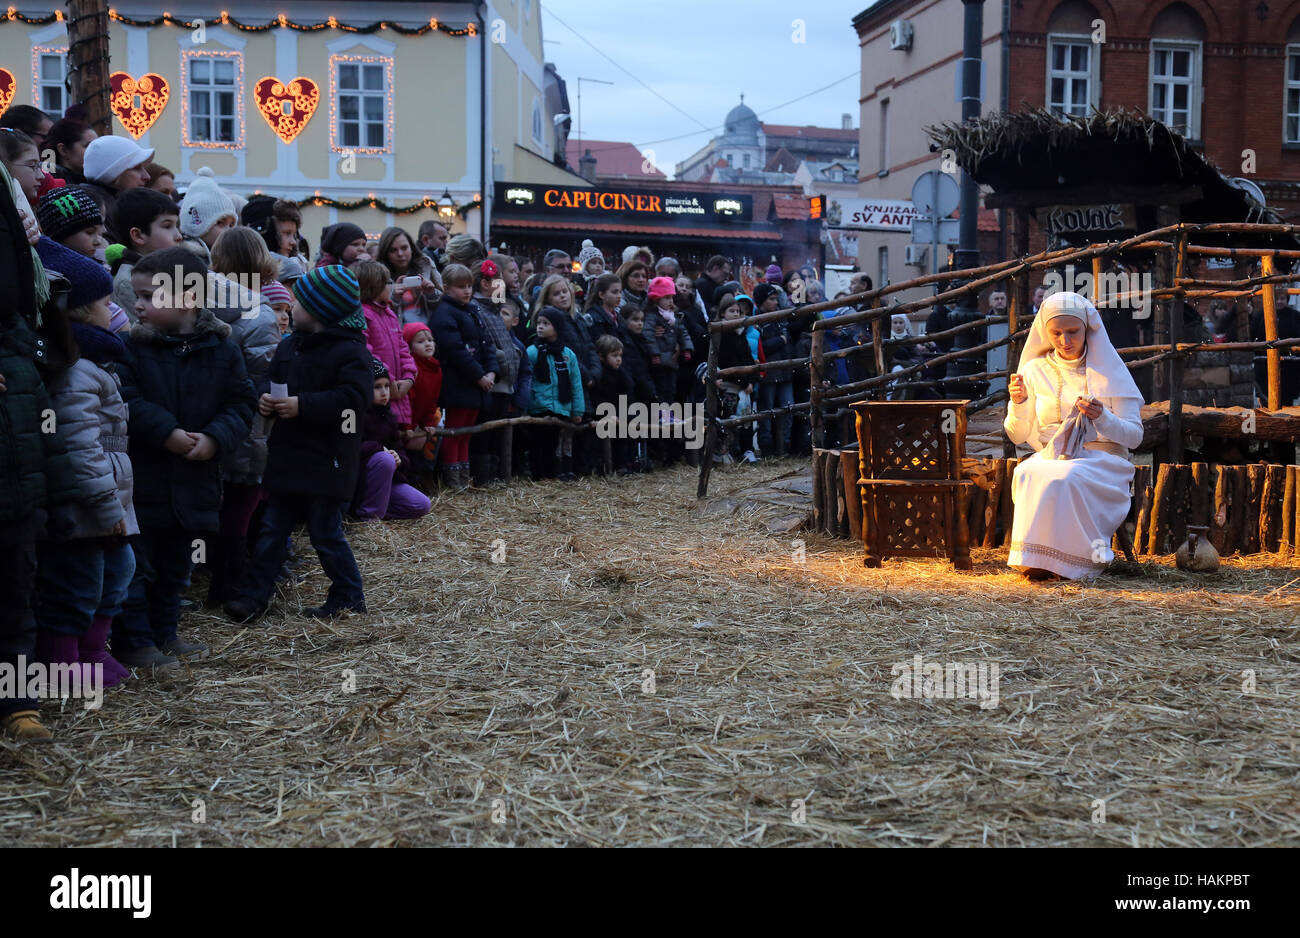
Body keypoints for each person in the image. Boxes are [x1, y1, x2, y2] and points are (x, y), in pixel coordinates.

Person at [116, 247, 255, 669]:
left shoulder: (222, 350)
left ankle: (165, 632)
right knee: (139, 565)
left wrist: (215, 438)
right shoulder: (131, 350)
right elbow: (127, 399)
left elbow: (241, 402)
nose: (137, 304)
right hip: (146, 478)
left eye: (149, 296)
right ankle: (135, 641)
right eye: (136, 296)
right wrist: (167, 433)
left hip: (196, 479)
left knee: (178, 565)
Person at [223, 265, 372, 622]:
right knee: (272, 529)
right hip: (288, 458)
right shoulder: (290, 347)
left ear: (322, 309)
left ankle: (348, 594)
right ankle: (253, 596)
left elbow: (353, 400)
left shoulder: (351, 353)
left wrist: (303, 405)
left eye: (299, 302)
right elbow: (271, 381)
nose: (291, 306)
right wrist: (266, 400)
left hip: (328, 460)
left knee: (325, 533)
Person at [32, 241, 137, 690]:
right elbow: (80, 446)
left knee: (118, 572)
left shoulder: (97, 362)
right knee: (79, 585)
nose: (112, 310)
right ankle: (66, 661)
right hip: (88, 505)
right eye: (106, 303)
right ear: (78, 311)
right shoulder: (77, 373)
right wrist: (106, 505)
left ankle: (94, 650)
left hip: (108, 499)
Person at [0, 181, 82, 739]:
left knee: (12, 595)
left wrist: (60, 496)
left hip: (16, 495)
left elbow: (43, 423)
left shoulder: (19, 345)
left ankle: (15, 701)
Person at [1004, 291, 1144, 581]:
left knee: (1066, 477)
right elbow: (1017, 434)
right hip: (1050, 455)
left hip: (1104, 459)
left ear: (1087, 329)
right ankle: (1037, 561)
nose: (1065, 341)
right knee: (1028, 472)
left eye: (1072, 332)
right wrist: (1019, 404)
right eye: (1056, 333)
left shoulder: (1110, 371)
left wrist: (1101, 417)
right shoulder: (1033, 370)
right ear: (1045, 331)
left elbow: (1134, 438)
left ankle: (1075, 564)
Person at [205, 227, 282, 606]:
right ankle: (229, 584)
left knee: (215, 501)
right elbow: (263, 374)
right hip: (250, 421)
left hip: (207, 417)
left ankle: (209, 578)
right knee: (242, 503)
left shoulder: (199, 300)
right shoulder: (259, 312)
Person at [428, 263, 496, 491]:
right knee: (454, 432)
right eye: (460, 287)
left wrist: (492, 371)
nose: (467, 291)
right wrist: (479, 375)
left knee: (466, 433)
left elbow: (487, 343)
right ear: (446, 288)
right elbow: (455, 351)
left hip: (476, 383)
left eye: (469, 286)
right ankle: (452, 478)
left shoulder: (472, 310)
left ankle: (463, 475)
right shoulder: (444, 314)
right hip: (458, 383)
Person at [354, 358, 431, 521]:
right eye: (377, 387)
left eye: (387, 386)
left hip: (387, 479)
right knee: (384, 459)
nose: (384, 392)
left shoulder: (389, 416)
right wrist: (381, 451)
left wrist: (399, 459)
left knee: (422, 505)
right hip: (361, 478)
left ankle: (376, 507)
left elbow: (400, 452)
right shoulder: (354, 414)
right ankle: (369, 519)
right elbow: (352, 447)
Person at [469, 258, 521, 485]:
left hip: (504, 381)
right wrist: (501, 359)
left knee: (496, 432)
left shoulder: (493, 308)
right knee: (485, 432)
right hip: (494, 381)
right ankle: (482, 477)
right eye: (497, 279)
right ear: (484, 283)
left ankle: (493, 474)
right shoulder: (478, 309)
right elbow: (487, 344)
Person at [355, 260, 416, 431]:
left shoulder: (389, 314)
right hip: (381, 392)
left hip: (400, 390)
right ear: (375, 286)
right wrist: (389, 382)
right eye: (387, 282)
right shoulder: (362, 315)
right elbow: (368, 353)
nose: (391, 286)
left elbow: (403, 348)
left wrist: (409, 377)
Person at [526, 309, 584, 480]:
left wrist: (577, 410)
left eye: (546, 323)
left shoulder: (568, 354)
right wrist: (525, 403)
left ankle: (551, 475)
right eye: (539, 323)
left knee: (552, 443)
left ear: (557, 327)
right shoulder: (532, 352)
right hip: (538, 405)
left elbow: (575, 383)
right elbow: (527, 380)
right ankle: (537, 475)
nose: (540, 327)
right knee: (537, 443)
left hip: (560, 405)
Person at [109, 188, 183, 319]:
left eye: (176, 225)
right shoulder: (127, 283)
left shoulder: (172, 268)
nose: (179, 236)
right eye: (167, 226)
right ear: (138, 235)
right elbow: (141, 333)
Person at [644, 276, 693, 466]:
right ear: (657, 299)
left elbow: (684, 333)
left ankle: (668, 414)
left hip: (672, 362)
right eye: (667, 298)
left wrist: (686, 348)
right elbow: (648, 335)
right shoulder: (653, 317)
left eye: (672, 298)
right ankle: (662, 414)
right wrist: (654, 353)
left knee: (670, 390)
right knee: (660, 391)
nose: (671, 302)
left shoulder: (675, 318)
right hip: (659, 363)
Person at [713, 293, 758, 464]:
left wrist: (750, 380)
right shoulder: (721, 334)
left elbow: (747, 359)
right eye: (732, 311)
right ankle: (722, 452)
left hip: (743, 386)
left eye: (738, 311)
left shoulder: (741, 334)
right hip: (728, 385)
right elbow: (726, 360)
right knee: (728, 419)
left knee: (745, 421)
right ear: (723, 313)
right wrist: (744, 381)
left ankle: (746, 450)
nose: (736, 314)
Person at [81, 135, 154, 239]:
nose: (147, 176)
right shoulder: (97, 208)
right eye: (136, 168)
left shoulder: (112, 203)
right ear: (115, 172)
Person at [754, 283, 792, 458]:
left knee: (788, 409)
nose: (775, 302)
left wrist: (780, 340)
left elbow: (786, 338)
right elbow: (762, 347)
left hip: (784, 371)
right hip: (767, 373)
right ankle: (767, 448)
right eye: (771, 299)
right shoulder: (756, 320)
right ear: (762, 301)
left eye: (776, 298)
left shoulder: (780, 317)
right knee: (767, 412)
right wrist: (780, 340)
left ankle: (784, 447)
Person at [402, 322, 444, 476]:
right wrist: (407, 426)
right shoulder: (410, 368)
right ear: (409, 346)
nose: (428, 344)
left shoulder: (435, 368)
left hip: (418, 424)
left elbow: (432, 400)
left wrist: (428, 423)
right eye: (420, 341)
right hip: (405, 423)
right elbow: (407, 400)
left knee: (417, 461)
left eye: (430, 340)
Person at [617, 305, 655, 472]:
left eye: (641, 320)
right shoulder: (625, 341)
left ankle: (640, 459)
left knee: (640, 426)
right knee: (630, 427)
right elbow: (634, 367)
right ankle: (630, 460)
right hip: (630, 388)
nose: (640, 324)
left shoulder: (641, 340)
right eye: (635, 320)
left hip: (641, 388)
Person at [377, 226, 439, 324]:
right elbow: (378, 315)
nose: (400, 254)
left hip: (429, 333)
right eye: (393, 250)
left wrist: (431, 293)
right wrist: (394, 298)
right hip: (398, 334)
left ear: (411, 247)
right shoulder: (378, 274)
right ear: (385, 253)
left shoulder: (425, 265)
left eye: (404, 248)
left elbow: (443, 302)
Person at [591, 334, 634, 474]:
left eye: (620, 355)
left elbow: (628, 386)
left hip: (618, 412)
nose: (619, 359)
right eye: (614, 355)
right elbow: (598, 396)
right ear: (601, 356)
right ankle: (603, 467)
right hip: (603, 412)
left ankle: (621, 464)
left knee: (622, 438)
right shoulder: (600, 373)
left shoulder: (619, 372)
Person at [178, 167, 236, 258]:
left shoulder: (229, 258)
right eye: (220, 223)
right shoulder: (181, 261)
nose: (229, 231)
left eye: (231, 225)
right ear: (197, 224)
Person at [47, 119, 97, 185]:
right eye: (88, 146)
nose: (96, 151)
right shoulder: (53, 187)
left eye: (97, 146)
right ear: (63, 150)